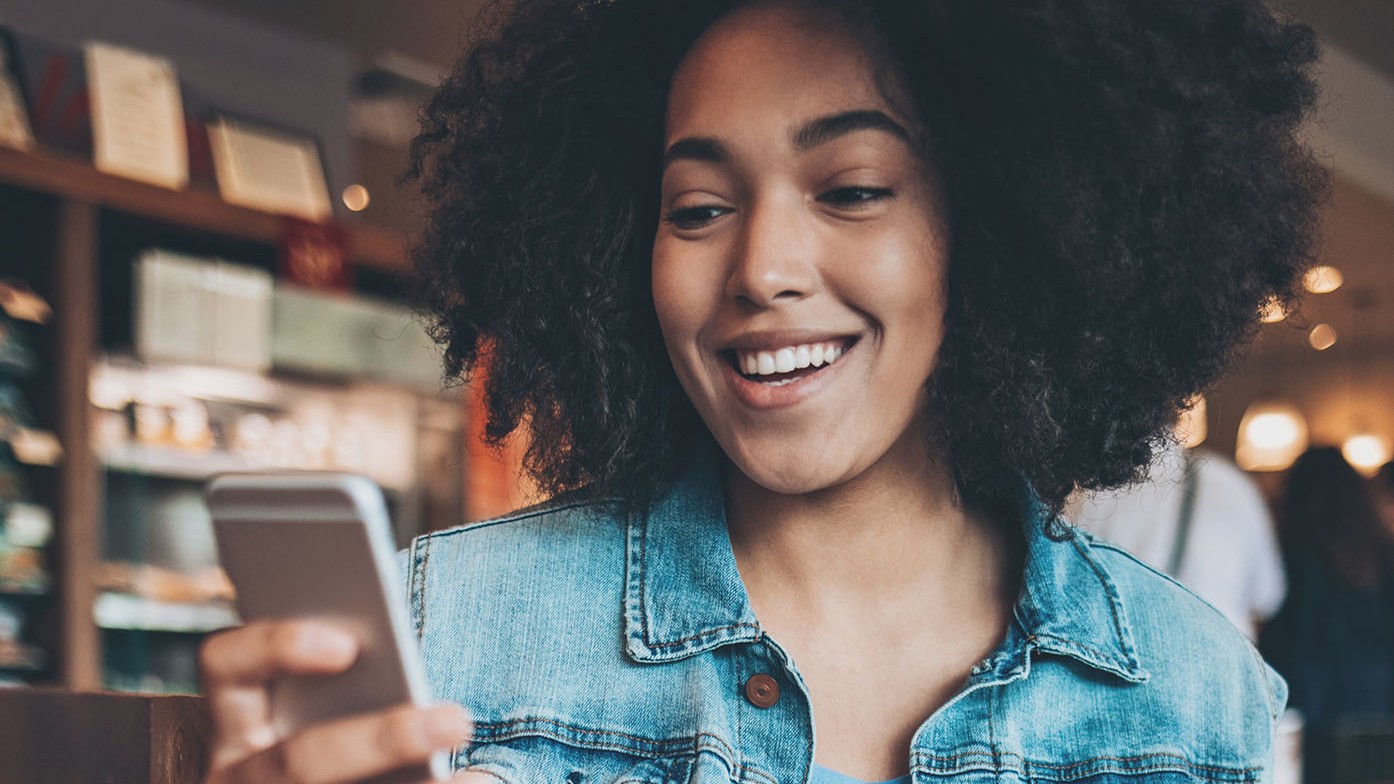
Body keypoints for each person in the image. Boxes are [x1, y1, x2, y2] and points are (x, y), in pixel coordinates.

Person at [199, 1, 1326, 782]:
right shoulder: (450, 633)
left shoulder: (1189, 692)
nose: (759, 268)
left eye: (849, 188)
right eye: (695, 207)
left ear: (996, 230)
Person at [1260, 448, 1394, 779]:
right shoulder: (1381, 556)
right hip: (1378, 710)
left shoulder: (1294, 555)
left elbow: (1287, 641)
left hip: (1312, 714)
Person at [1070, 440, 1287, 641]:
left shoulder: (1084, 490)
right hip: (1217, 657)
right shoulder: (1231, 485)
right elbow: (1267, 598)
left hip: (1116, 659)